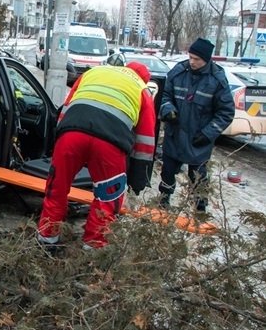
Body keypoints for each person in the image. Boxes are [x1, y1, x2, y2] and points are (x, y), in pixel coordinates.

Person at [37, 62, 156, 249]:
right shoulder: (141, 89)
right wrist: (138, 177)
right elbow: (145, 140)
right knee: (107, 197)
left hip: (72, 133)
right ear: (144, 79)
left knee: (57, 187)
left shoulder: (94, 72)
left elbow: (66, 108)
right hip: (110, 143)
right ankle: (93, 247)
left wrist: (59, 143)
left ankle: (47, 238)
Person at [158, 38, 234, 212]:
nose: (192, 61)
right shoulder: (178, 72)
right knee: (167, 173)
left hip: (198, 139)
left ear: (206, 59)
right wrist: (167, 109)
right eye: (190, 57)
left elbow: (226, 112)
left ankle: (200, 209)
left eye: (196, 59)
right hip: (174, 135)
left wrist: (208, 133)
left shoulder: (217, 80)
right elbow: (165, 95)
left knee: (198, 178)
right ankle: (163, 202)